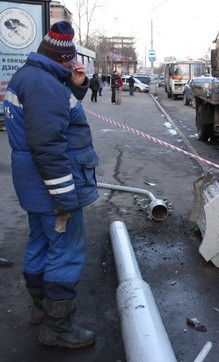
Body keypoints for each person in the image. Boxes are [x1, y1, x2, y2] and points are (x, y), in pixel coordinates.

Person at [3, 21, 98, 349]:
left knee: (41, 244)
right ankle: (57, 327)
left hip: (34, 184)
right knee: (66, 252)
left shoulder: (33, 77)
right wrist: (64, 196)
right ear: (62, 58)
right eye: (71, 61)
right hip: (52, 186)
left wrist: (76, 86)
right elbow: (48, 144)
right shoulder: (44, 86)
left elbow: (56, 117)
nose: (74, 65)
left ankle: (40, 310)